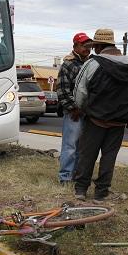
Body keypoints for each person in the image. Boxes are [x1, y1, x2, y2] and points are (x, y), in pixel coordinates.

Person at [73, 28, 128, 201]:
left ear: (98, 46)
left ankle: (81, 190)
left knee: (87, 154)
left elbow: (80, 92)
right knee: (109, 156)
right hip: (119, 122)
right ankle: (101, 192)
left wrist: (81, 108)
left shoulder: (92, 64)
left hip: (95, 119)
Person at [55, 32, 92, 183]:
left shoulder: (89, 64)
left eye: (89, 46)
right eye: (83, 45)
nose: (87, 49)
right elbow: (62, 89)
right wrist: (73, 108)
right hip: (73, 113)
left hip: (87, 112)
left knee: (82, 147)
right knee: (70, 146)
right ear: (75, 46)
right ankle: (65, 177)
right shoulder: (68, 64)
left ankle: (76, 175)